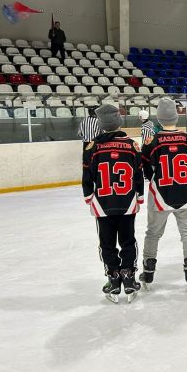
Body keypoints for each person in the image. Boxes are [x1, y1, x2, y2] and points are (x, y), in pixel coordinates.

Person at [82, 104, 144, 303]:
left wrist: (88, 196)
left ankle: (113, 277)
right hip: (127, 202)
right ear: (119, 121)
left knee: (106, 242)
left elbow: (87, 175)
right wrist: (140, 195)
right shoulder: (132, 145)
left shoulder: (92, 147)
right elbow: (138, 174)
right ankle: (128, 275)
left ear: (101, 124)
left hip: (102, 203)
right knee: (128, 240)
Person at [139, 98, 187, 290]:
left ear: (159, 117)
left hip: (160, 195)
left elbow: (146, 168)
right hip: (184, 192)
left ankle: (148, 270)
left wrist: (154, 177)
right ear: (176, 116)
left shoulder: (153, 141)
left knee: (153, 233)